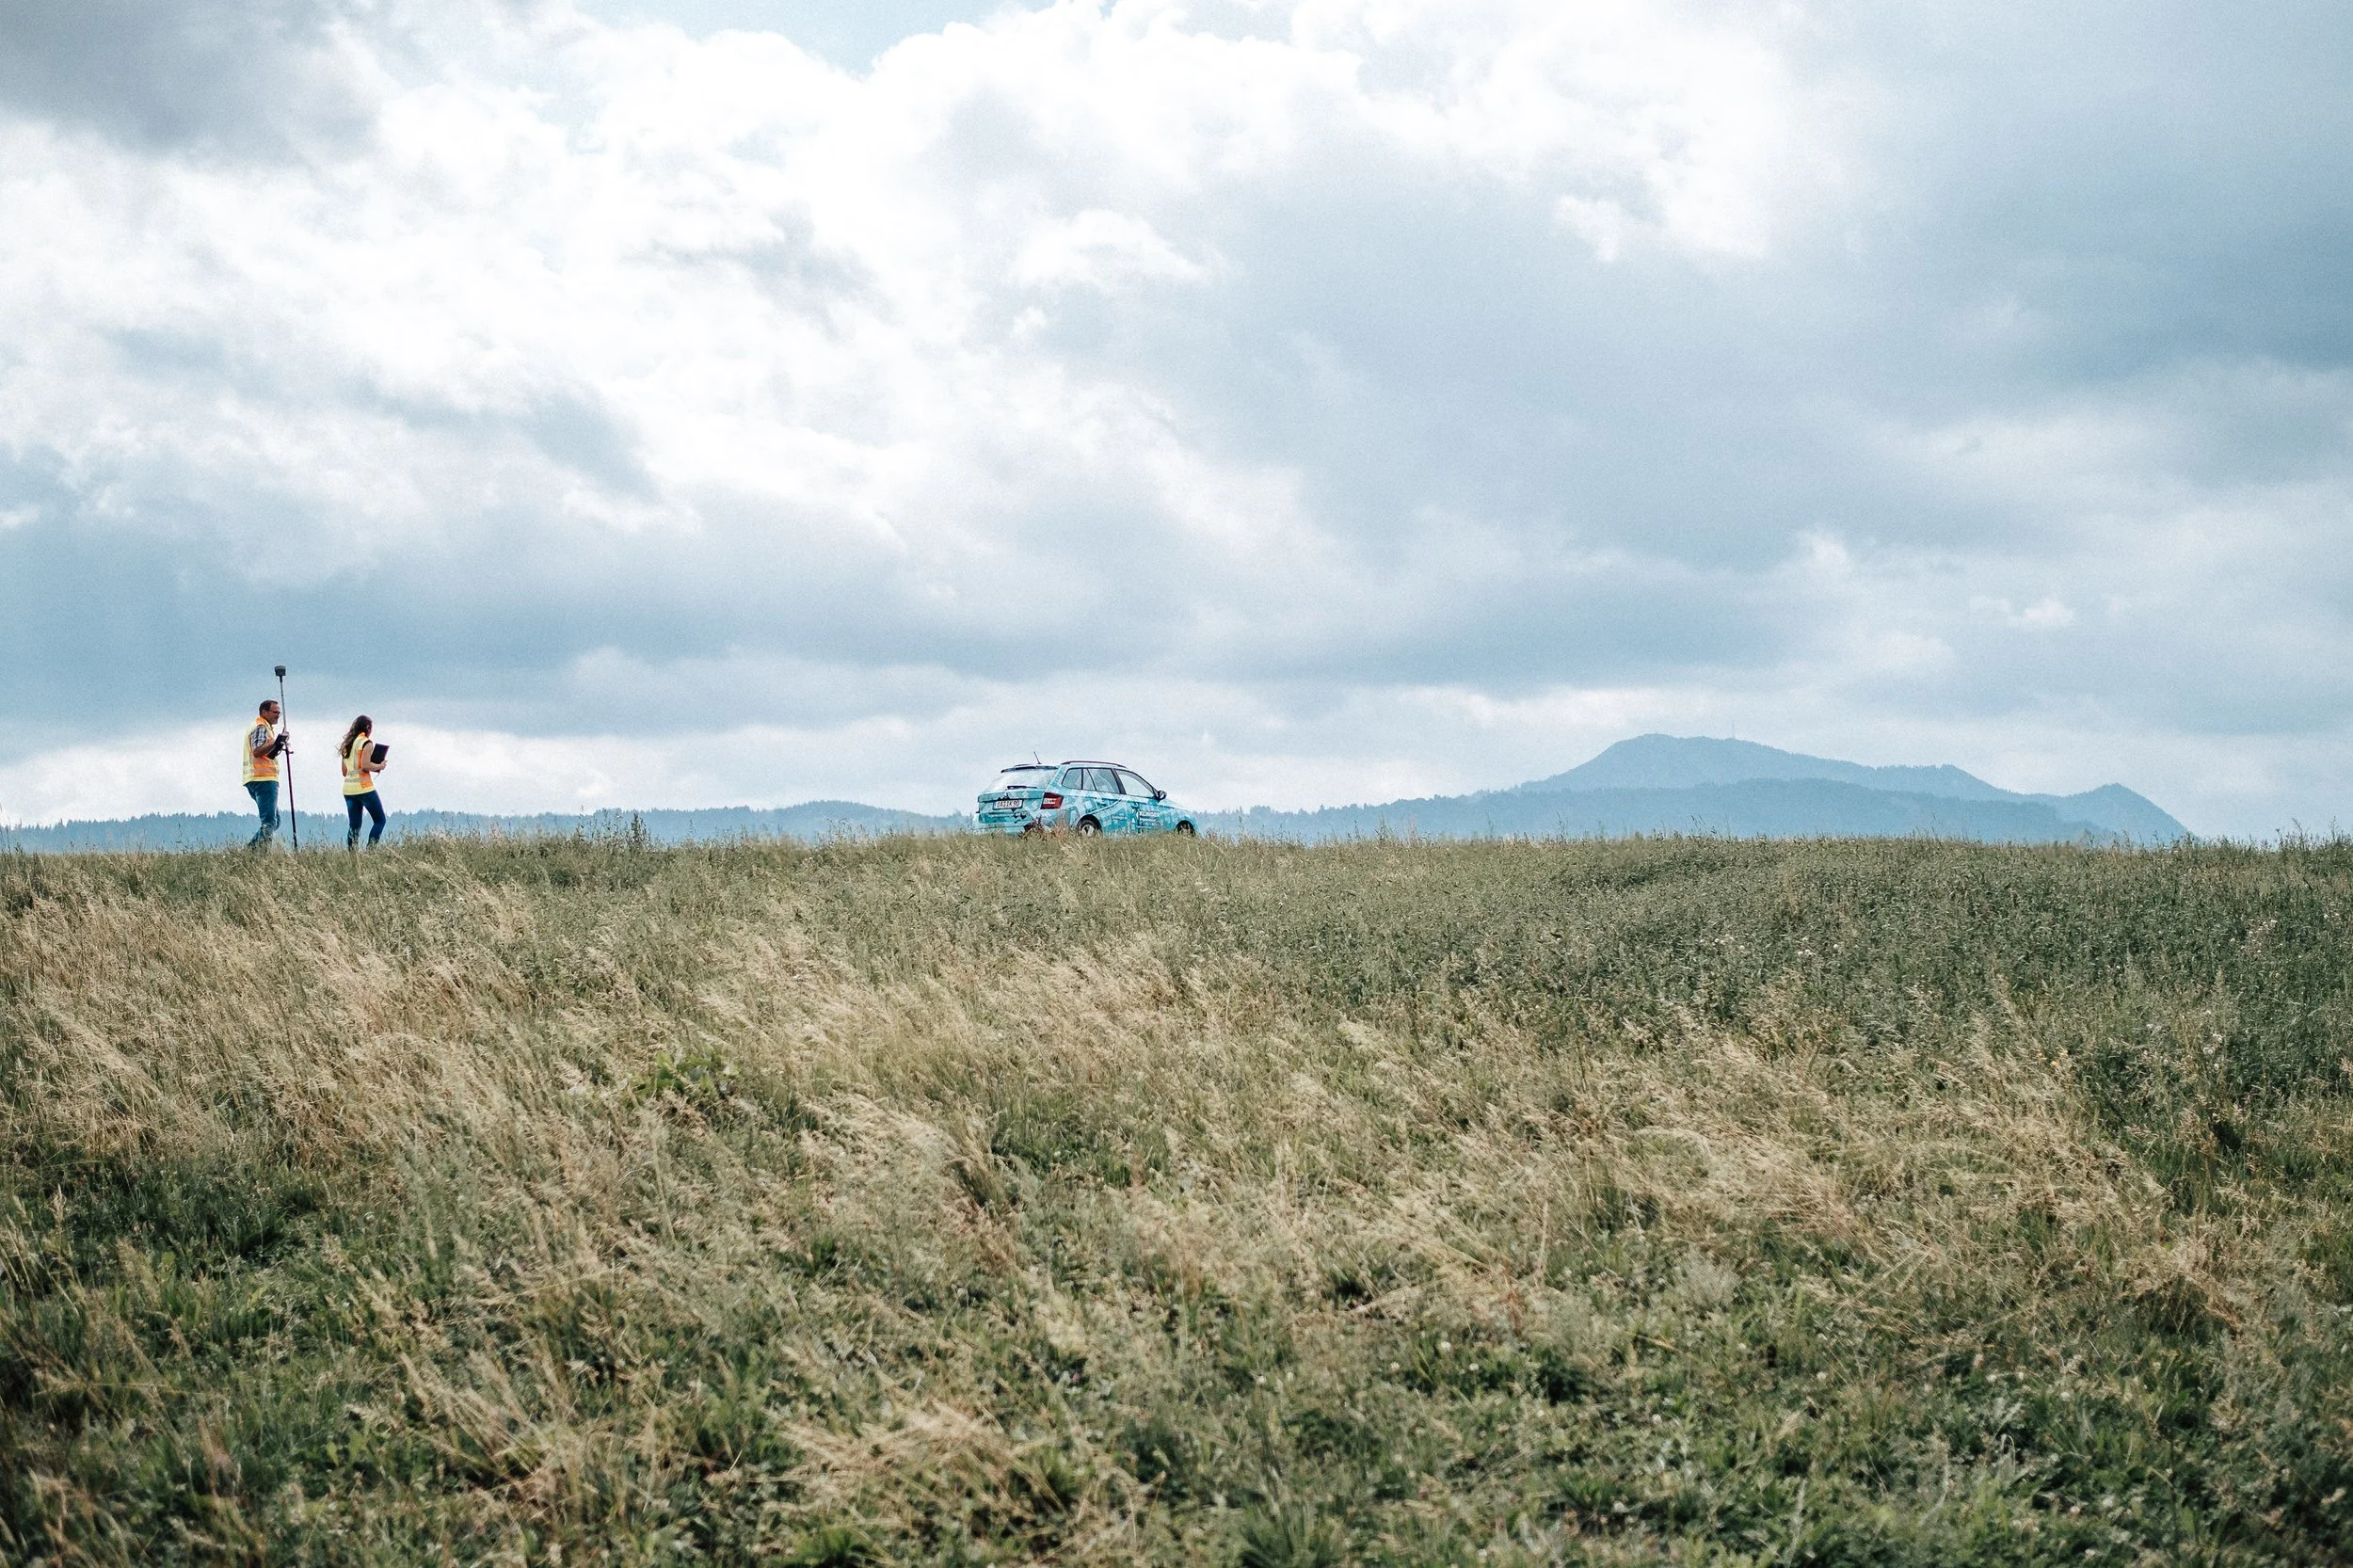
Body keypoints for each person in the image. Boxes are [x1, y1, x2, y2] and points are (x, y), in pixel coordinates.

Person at [242, 699, 289, 848]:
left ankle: (255, 850)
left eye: (279, 713)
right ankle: (255, 852)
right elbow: (257, 750)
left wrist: (278, 745)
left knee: (275, 821)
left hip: (258, 778)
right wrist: (275, 742)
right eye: (275, 712)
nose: (277, 715)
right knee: (269, 822)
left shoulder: (262, 726)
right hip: (263, 778)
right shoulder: (261, 727)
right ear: (264, 712)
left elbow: (267, 754)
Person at [339, 714, 388, 850]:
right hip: (364, 788)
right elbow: (365, 765)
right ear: (367, 728)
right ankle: (370, 852)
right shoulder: (366, 743)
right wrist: (380, 765)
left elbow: (344, 771)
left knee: (354, 826)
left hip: (348, 789)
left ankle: (353, 857)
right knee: (380, 820)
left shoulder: (347, 745)